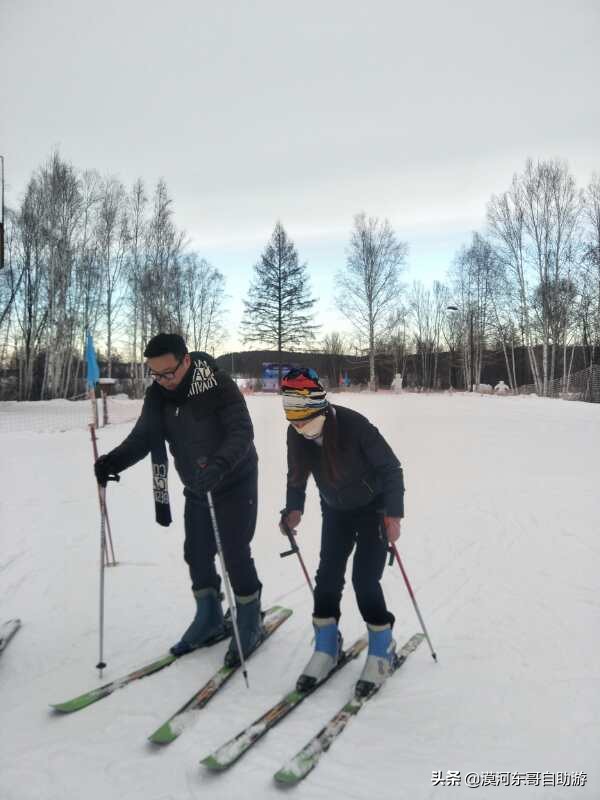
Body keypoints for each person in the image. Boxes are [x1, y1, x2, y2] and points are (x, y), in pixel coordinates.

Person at [94, 333, 263, 666]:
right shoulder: (158, 395)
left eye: (168, 372)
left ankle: (249, 617)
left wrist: (219, 466)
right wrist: (112, 461)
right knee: (196, 553)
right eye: (156, 374)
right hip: (198, 486)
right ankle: (210, 616)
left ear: (186, 361)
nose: (163, 381)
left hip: (234, 481)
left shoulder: (216, 385)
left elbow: (242, 431)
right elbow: (144, 437)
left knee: (234, 551)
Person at [279, 368, 405, 697]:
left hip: (373, 510)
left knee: (364, 580)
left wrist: (393, 514)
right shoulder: (296, 434)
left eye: (304, 422)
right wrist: (294, 509)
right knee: (328, 577)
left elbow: (391, 469)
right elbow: (296, 475)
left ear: (319, 408)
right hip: (335, 509)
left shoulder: (354, 425)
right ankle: (326, 646)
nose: (300, 430)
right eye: (294, 423)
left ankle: (382, 646)